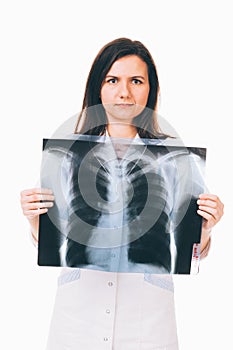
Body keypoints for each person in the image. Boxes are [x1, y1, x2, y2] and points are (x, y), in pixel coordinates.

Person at [20, 38, 224, 349]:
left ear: (150, 89)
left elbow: (193, 251)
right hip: (78, 321)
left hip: (148, 323)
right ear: (98, 88)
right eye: (112, 80)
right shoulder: (65, 155)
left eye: (136, 81)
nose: (124, 92)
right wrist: (36, 220)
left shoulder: (178, 161)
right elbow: (52, 241)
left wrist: (204, 230)